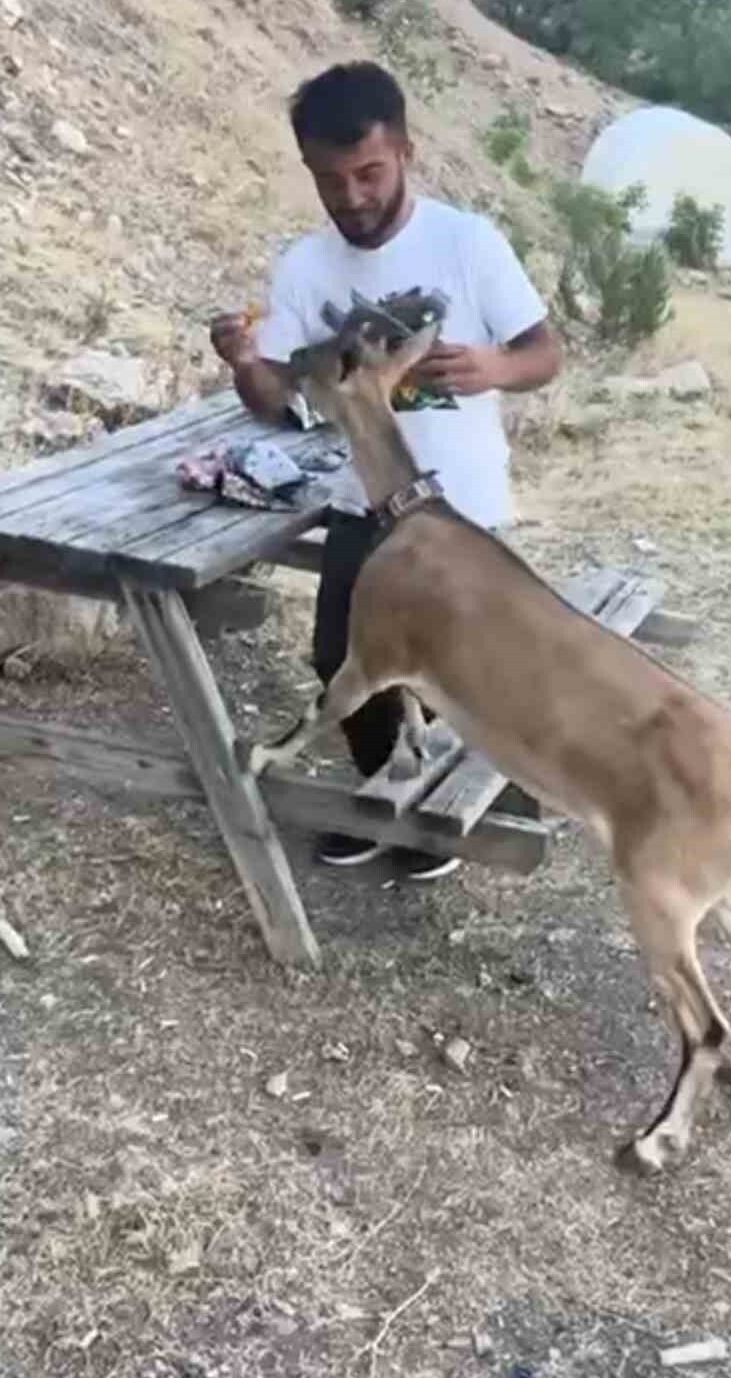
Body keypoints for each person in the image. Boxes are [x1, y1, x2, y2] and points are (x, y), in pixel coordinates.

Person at [210, 61, 561, 881]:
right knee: (340, 656)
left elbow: (545, 354)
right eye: (329, 180)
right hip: (359, 503)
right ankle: (386, 797)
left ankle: (465, 810)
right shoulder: (303, 266)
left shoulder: (468, 243)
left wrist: (491, 369)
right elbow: (274, 400)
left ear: (404, 150)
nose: (352, 197)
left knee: (461, 666)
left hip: (459, 506)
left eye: (368, 172)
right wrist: (239, 361)